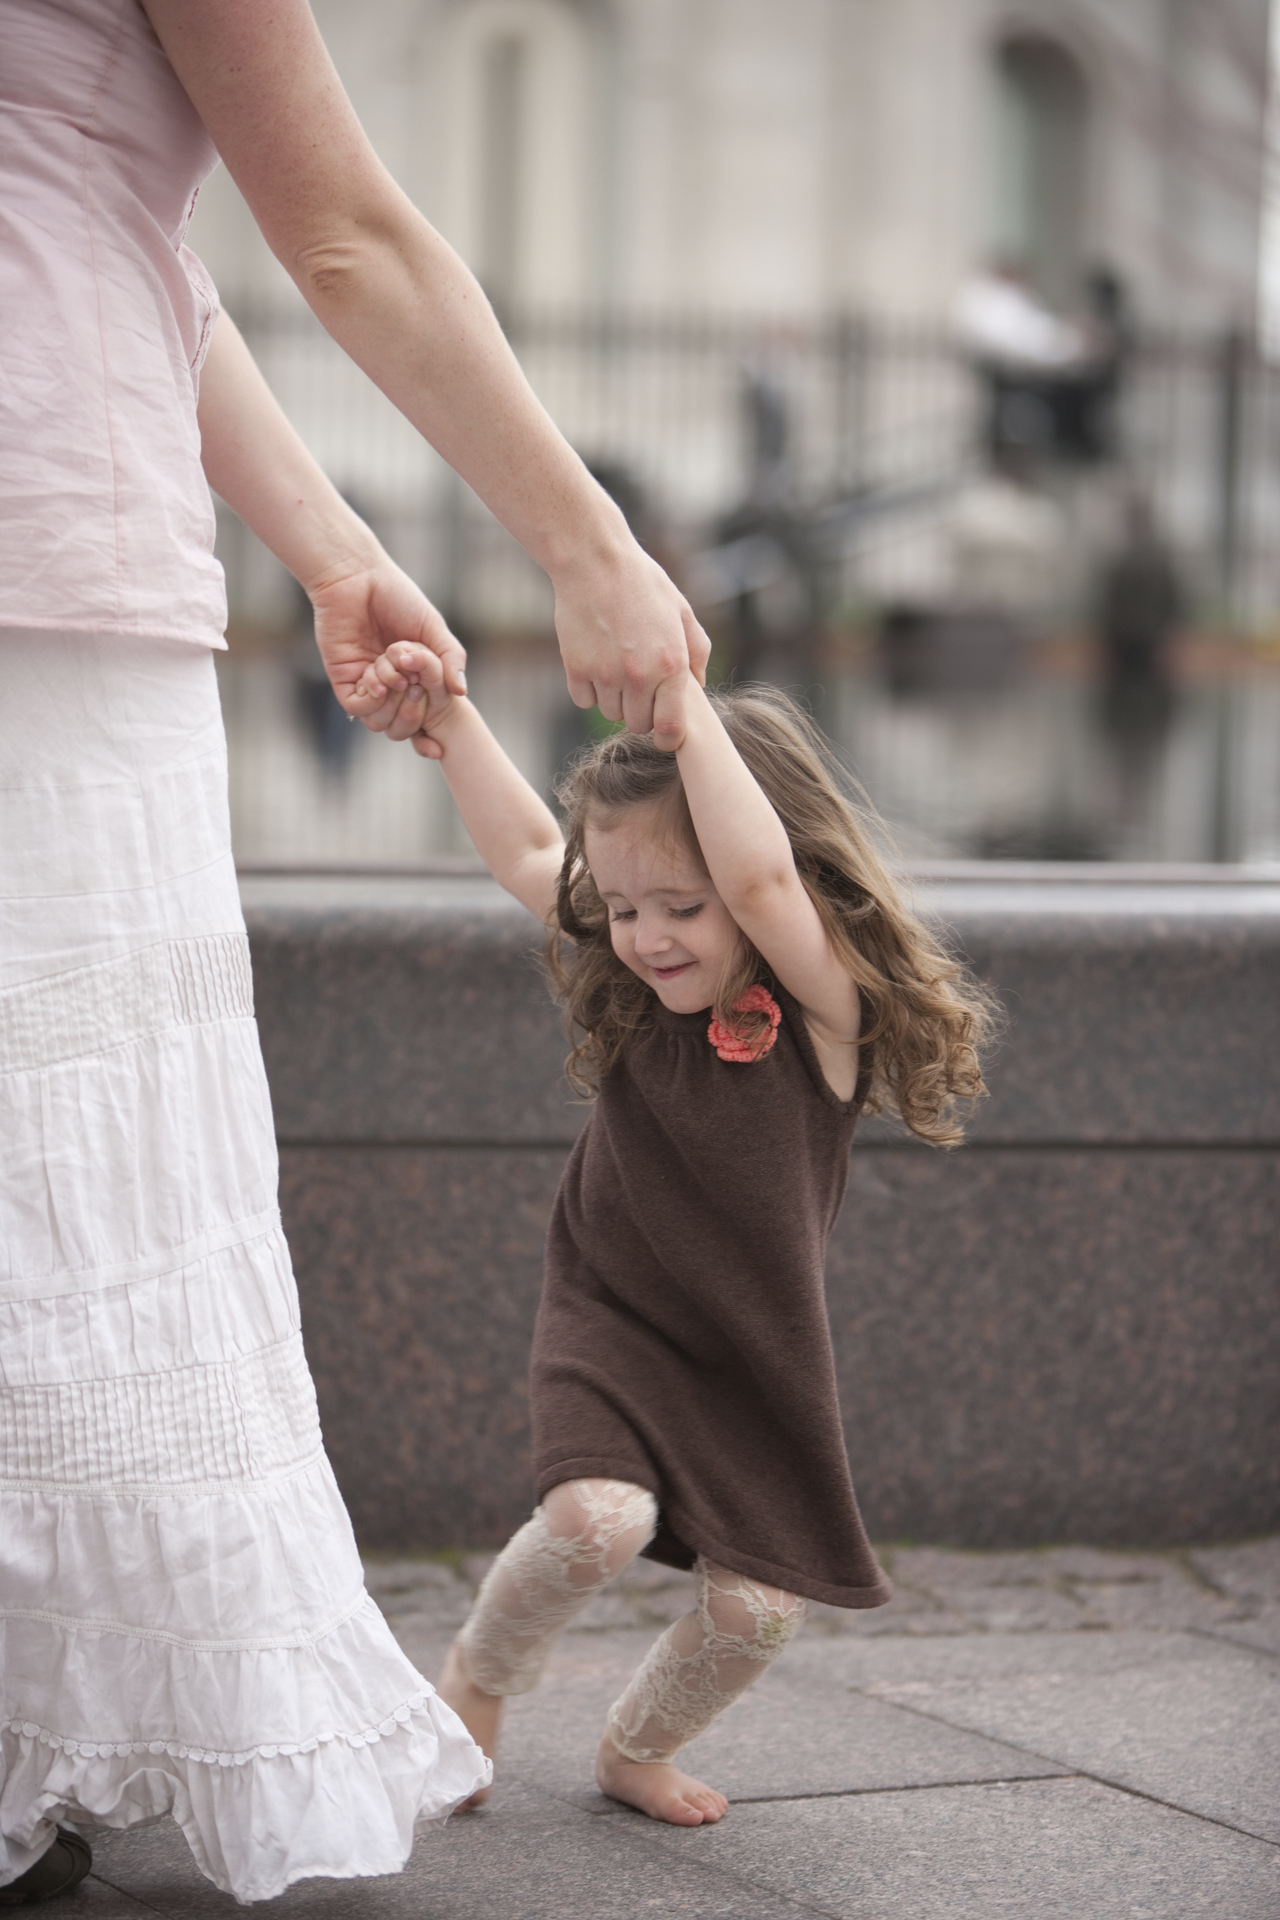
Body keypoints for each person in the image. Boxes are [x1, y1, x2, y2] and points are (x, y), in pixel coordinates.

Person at [0, 0, 705, 1904]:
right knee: (56, 1168)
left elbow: (105, 233)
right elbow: (345, 236)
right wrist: (586, 544)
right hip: (36, 547)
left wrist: (326, 549)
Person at [365, 643, 995, 1825]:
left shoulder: (825, 1011)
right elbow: (525, 856)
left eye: (678, 907)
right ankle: (474, 1678)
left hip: (753, 1354)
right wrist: (448, 723)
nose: (645, 937)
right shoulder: (637, 982)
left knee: (757, 1610)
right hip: (612, 1313)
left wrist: (683, 713)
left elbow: (760, 887)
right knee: (596, 1522)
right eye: (624, 908)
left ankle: (632, 1750)